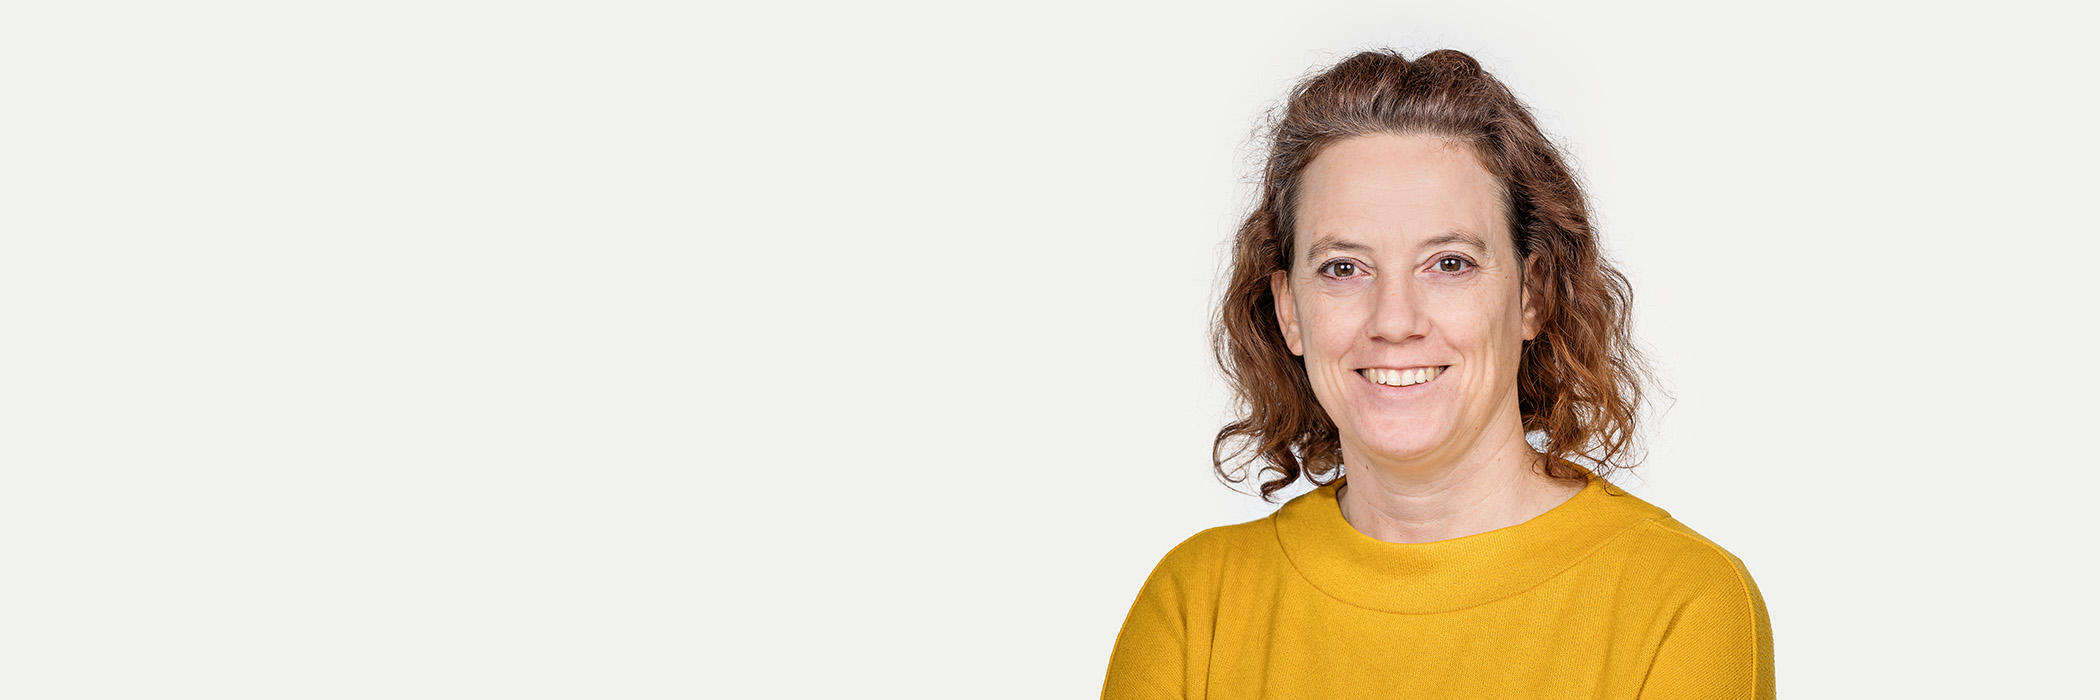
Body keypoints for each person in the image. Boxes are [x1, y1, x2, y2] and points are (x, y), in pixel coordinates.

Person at [1101, 49, 1774, 698]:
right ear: (1289, 311)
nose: (1395, 320)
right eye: (1344, 268)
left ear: (1533, 295)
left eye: (1449, 263)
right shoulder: (1196, 607)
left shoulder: (1682, 602)